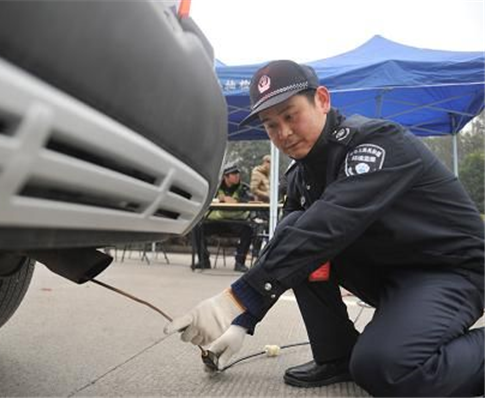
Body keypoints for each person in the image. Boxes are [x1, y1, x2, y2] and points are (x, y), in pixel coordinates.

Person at [166, 60, 484, 397]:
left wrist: (237, 299)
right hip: (390, 275)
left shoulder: (378, 144)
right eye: (271, 125)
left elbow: (331, 222)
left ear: (322, 99)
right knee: (292, 228)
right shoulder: (301, 175)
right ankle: (337, 355)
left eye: (291, 115)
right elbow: (287, 244)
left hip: (448, 271)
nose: (283, 133)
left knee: (388, 369)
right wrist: (244, 319)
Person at [191, 164, 253, 273]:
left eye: (238, 174)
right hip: (217, 222)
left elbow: (250, 201)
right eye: (234, 174)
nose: (237, 176)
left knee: (248, 230)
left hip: (236, 222)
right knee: (197, 228)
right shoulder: (215, 188)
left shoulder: (243, 188)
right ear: (226, 177)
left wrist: (232, 200)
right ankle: (203, 260)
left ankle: (239, 263)